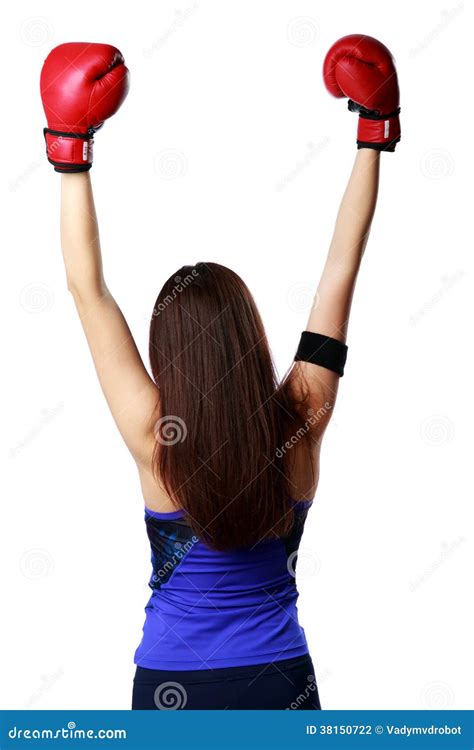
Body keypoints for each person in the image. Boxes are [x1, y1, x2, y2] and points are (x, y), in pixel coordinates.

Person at [40, 35, 400, 710]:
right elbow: (340, 271)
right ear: (249, 334)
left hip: (172, 687)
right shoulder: (301, 413)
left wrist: (69, 149)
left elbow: (86, 288)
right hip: (280, 683)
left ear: (165, 352)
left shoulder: (155, 438)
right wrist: (372, 136)